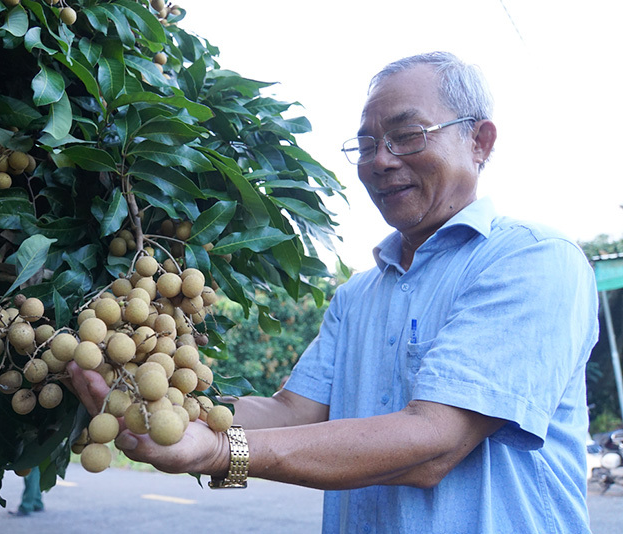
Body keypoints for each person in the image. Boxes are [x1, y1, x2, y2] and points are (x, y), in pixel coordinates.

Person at [68, 51, 599, 533]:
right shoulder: (358, 295)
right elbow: (294, 411)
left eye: (407, 136)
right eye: (366, 145)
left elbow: (432, 444)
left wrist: (218, 452)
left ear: (479, 141)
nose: (381, 160)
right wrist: (171, 402)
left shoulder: (533, 260)